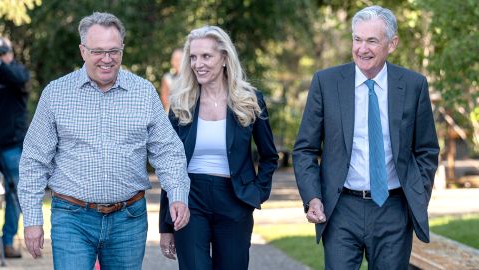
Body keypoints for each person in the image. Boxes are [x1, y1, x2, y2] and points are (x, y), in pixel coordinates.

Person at [18, 12, 190, 269]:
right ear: (82, 51)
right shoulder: (56, 94)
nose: (107, 59)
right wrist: (32, 219)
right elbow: (34, 159)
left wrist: (177, 194)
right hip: (71, 218)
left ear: (122, 50)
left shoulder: (143, 92)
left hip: (128, 220)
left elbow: (167, 151)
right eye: (98, 51)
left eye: (114, 51)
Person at [293, 5, 439, 269]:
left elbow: (427, 149)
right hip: (340, 210)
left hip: (394, 210)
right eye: (357, 39)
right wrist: (313, 197)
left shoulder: (414, 85)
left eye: (372, 40)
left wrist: (418, 195)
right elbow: (305, 148)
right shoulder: (326, 82)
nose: (362, 48)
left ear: (391, 44)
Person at [159, 25, 278, 269]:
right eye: (193, 57)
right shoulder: (181, 103)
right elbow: (169, 164)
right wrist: (166, 225)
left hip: (235, 200)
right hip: (190, 198)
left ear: (224, 58)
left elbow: (269, 156)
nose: (197, 63)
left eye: (206, 56)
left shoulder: (250, 100)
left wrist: (257, 193)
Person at [0, 36, 30, 258]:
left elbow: (19, 80)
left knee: (14, 192)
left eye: (3, 51)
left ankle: (7, 241)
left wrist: (3, 63)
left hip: (11, 145)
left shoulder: (17, 71)